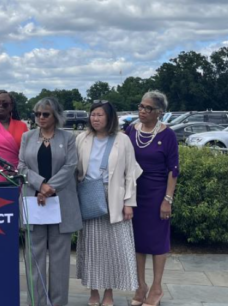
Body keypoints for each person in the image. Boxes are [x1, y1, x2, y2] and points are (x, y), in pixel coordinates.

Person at [76, 102, 142, 306]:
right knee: (92, 247)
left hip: (114, 196)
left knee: (113, 248)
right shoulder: (82, 138)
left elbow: (131, 172)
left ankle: (109, 292)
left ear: (110, 118)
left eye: (100, 115)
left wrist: (129, 202)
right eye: (93, 115)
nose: (95, 119)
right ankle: (94, 290)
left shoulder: (122, 140)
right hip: (89, 196)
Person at [18, 97, 79, 306]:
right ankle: (36, 302)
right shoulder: (27, 137)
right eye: (37, 114)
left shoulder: (68, 138)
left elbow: (71, 166)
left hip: (60, 203)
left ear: (55, 116)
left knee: (60, 260)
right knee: (33, 257)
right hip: (34, 202)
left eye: (45, 114)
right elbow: (21, 166)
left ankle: (58, 302)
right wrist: (40, 185)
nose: (40, 118)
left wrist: (49, 188)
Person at [125, 91, 178, 306]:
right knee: (137, 242)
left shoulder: (168, 135)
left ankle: (156, 288)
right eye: (141, 106)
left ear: (160, 112)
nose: (143, 111)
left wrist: (168, 199)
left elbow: (173, 169)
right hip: (134, 192)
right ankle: (140, 286)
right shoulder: (130, 130)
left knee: (157, 243)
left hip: (157, 194)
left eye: (148, 108)